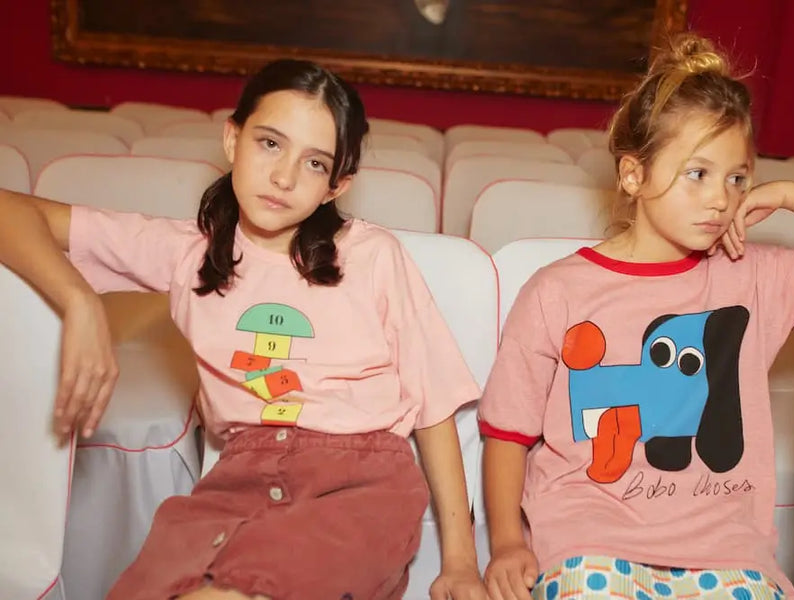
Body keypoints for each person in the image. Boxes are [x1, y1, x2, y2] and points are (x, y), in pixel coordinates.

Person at [0, 59, 487, 600]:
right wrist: (78, 302)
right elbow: (9, 211)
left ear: (336, 185)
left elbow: (435, 408)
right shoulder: (187, 252)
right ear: (233, 138)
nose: (284, 177)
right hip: (237, 481)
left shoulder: (372, 256)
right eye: (270, 143)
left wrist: (460, 561)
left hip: (360, 482)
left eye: (315, 163)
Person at [477, 34, 794, 600]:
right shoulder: (557, 289)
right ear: (633, 176)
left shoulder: (755, 276)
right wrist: (508, 542)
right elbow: (508, 432)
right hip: (590, 544)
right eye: (697, 174)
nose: (721, 199)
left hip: (728, 556)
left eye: (738, 177)